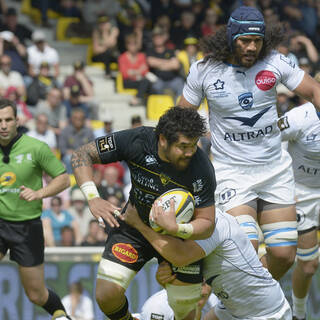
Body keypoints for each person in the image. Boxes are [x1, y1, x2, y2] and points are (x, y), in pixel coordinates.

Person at [178, 5, 320, 281]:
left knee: (283, 257)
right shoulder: (205, 70)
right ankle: (236, 304)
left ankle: (238, 301)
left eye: (257, 41)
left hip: (275, 170)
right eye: (245, 40)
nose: (252, 47)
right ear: (231, 37)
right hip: (232, 172)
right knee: (246, 249)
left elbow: (313, 89)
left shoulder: (275, 62)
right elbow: (181, 118)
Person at [71, 106, 216, 320]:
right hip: (133, 222)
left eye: (194, 145)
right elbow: (82, 154)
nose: (189, 152)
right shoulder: (137, 140)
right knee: (106, 295)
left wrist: (178, 228)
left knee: (185, 307)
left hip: (179, 236)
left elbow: (207, 223)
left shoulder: (201, 167)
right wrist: (93, 197)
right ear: (163, 140)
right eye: (183, 146)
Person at [123, 203, 292, 320]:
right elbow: (183, 270)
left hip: (266, 313)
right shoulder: (192, 226)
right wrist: (166, 279)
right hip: (231, 309)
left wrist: (139, 225)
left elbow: (179, 257)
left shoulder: (215, 225)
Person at [0, 99, 71, 319]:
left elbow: (64, 179)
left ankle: (60, 315)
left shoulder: (36, 148)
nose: (3, 125)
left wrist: (39, 193)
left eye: (8, 120)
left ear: (17, 121)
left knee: (36, 295)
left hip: (27, 227)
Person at [278, 101, 320, 320]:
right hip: (301, 194)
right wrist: (284, 183)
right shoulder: (300, 117)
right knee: (309, 265)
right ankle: (299, 315)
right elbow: (269, 141)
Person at [138, 288, 218, 320]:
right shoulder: (156, 307)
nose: (203, 291)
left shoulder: (214, 302)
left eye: (206, 282)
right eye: (198, 283)